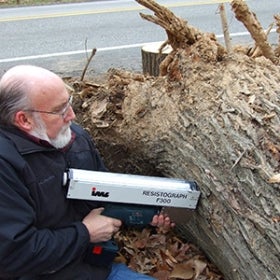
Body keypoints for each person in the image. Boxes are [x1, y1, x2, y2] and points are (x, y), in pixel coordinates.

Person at [0, 65, 173, 280]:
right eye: (60, 110)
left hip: (95, 268)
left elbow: (106, 194)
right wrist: (85, 233)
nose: (71, 116)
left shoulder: (74, 138)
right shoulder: (6, 165)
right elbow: (12, 255)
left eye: (69, 103)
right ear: (24, 120)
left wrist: (148, 211)